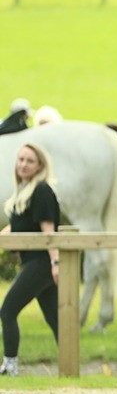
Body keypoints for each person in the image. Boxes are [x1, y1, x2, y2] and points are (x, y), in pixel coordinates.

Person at [0, 144, 61, 376]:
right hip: (34, 263)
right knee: (56, 319)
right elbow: (15, 228)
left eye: (29, 161)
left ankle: (10, 365)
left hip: (41, 263)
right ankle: (70, 367)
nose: (23, 165)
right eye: (21, 160)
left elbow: (49, 231)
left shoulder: (42, 191)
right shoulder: (25, 191)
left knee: (7, 311)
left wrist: (56, 264)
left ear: (40, 166)